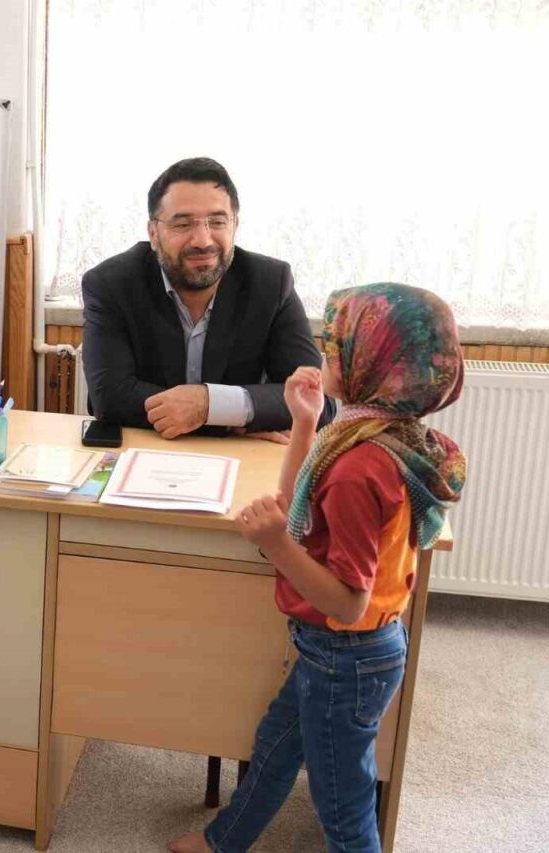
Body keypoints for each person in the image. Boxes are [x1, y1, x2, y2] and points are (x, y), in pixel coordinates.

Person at [168, 283, 467, 853]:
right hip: (343, 653)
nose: (324, 352)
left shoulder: (360, 466)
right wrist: (303, 424)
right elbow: (298, 508)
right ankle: (222, 841)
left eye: (336, 344)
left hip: (346, 654)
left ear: (373, 364)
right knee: (275, 749)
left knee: (342, 807)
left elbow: (347, 601)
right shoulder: (376, 432)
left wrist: (276, 544)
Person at [81, 157, 336, 438]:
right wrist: (230, 417)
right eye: (182, 224)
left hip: (238, 458)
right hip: (148, 450)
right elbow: (110, 398)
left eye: (217, 222)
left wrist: (208, 405)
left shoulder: (271, 283)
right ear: (153, 233)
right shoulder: (111, 284)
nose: (203, 240)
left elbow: (317, 401)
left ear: (234, 225)